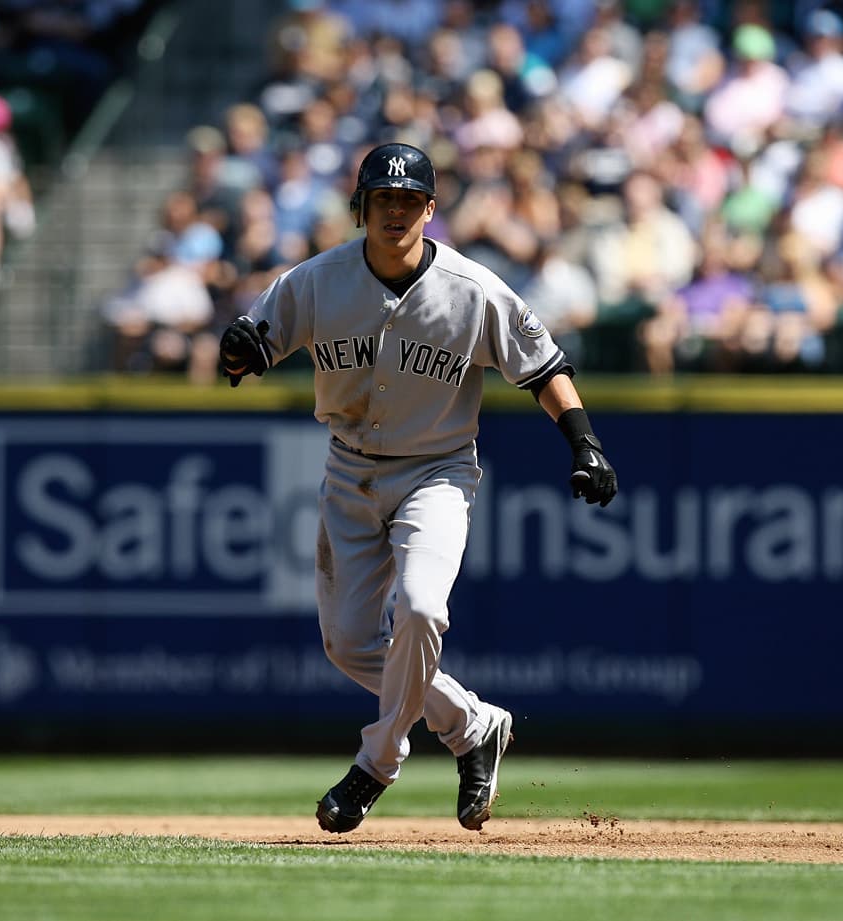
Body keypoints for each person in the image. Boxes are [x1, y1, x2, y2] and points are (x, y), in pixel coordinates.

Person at [217, 142, 618, 834]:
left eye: (409, 200)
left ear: (430, 209)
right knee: (348, 643)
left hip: (436, 471)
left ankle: (375, 765)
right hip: (349, 469)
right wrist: (240, 349)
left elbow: (543, 365)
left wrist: (584, 441)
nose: (396, 210)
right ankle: (472, 724)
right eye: (384, 199)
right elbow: (255, 335)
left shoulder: (471, 287)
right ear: (360, 208)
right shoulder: (315, 281)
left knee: (422, 608)